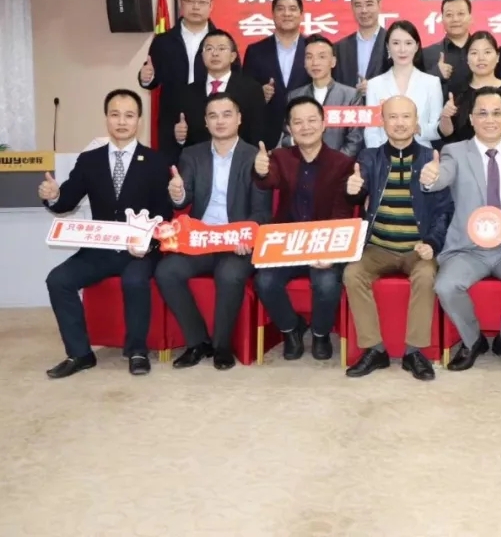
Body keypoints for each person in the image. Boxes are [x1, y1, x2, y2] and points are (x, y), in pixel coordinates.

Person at [40, 89, 173, 378]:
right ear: (106, 119)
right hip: (99, 249)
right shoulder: (90, 160)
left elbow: (165, 213)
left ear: (139, 120)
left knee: (134, 280)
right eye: (115, 115)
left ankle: (137, 351)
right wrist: (53, 196)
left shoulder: (156, 161)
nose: (122, 121)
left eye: (129, 115)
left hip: (140, 250)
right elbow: (66, 201)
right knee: (58, 280)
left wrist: (148, 243)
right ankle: (80, 354)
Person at [421, 86, 501, 371]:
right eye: (483, 113)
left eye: (497, 113)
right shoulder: (454, 152)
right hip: (468, 248)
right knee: (445, 286)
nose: (490, 120)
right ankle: (472, 340)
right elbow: (441, 177)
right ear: (472, 118)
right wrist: (431, 178)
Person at [155, 93, 273, 370]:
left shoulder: (255, 157)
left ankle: (222, 346)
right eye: (213, 116)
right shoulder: (192, 155)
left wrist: (247, 237)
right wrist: (178, 193)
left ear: (239, 119)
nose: (220, 121)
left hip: (237, 242)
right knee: (166, 271)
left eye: (226, 114)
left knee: (229, 274)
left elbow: (262, 212)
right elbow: (183, 199)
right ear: (206, 122)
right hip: (201, 239)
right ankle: (198, 342)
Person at [342, 96, 452, 381]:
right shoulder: (369, 157)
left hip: (418, 248)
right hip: (378, 247)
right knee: (352, 273)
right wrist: (353, 190)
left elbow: (444, 210)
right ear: (382, 122)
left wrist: (432, 243)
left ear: (416, 123)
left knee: (426, 276)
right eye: (392, 117)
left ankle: (414, 352)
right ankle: (374, 349)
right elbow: (358, 189)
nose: (400, 123)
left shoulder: (431, 159)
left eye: (406, 117)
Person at [252, 96, 355, 361]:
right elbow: (268, 180)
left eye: (312, 120)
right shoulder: (280, 157)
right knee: (264, 281)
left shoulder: (341, 163)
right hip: (287, 245)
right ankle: (291, 328)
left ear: (323, 124)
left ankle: (320, 334)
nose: (305, 127)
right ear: (289, 128)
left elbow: (342, 213)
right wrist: (261, 171)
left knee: (326, 283)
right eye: (298, 122)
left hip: (323, 243)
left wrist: (332, 253)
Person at [138, 0, 220, 164]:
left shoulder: (221, 41)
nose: (195, 7)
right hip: (172, 119)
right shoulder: (163, 41)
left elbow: (234, 77)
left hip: (211, 118)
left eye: (202, 2)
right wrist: (145, 78)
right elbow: (152, 78)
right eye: (190, 1)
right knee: (173, 173)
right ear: (181, 3)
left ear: (211, 6)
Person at [174, 29, 265, 150]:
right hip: (198, 159)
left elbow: (257, 133)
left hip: (240, 158)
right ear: (202, 56)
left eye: (221, 49)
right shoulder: (187, 92)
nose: (215, 54)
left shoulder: (251, 89)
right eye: (209, 49)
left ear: (232, 56)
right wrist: (180, 138)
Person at [241, 0, 311, 147]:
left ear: (301, 15)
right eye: (280, 9)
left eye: (292, 9)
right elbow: (244, 93)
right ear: (272, 14)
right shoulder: (255, 51)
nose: (287, 14)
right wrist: (258, 94)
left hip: (306, 131)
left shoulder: (313, 48)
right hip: (266, 134)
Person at [280, 34, 364, 157]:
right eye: (309, 57)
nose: (315, 63)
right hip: (302, 164)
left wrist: (333, 163)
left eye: (322, 57)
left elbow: (355, 140)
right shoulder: (294, 96)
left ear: (333, 62)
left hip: (339, 164)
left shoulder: (351, 96)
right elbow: (286, 138)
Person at [363, 20, 444, 149]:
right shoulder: (374, 85)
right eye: (396, 43)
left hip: (422, 154)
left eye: (408, 43)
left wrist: (419, 129)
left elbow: (437, 128)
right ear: (388, 47)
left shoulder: (432, 83)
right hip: (383, 155)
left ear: (416, 46)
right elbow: (371, 131)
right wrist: (378, 155)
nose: (402, 49)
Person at [440, 31, 501, 145]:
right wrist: (445, 116)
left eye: (487, 52)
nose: (481, 58)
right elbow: (446, 135)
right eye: (474, 53)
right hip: (464, 154)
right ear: (467, 58)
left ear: (497, 57)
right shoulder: (456, 92)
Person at [332, 0, 388, 96]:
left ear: (379, 5)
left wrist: (375, 88)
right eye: (358, 5)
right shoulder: (339, 48)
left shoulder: (393, 43)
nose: (364, 10)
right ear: (352, 8)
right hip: (350, 106)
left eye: (369, 4)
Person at [421, 0, 473, 98]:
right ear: (442, 19)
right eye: (449, 15)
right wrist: (436, 73)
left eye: (461, 14)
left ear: (470, 17)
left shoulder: (486, 52)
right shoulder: (426, 54)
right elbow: (415, 90)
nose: (455, 19)